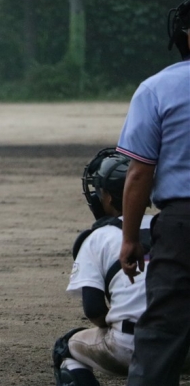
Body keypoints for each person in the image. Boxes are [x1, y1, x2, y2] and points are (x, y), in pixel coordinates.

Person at [117, 0, 190, 386]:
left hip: (182, 225)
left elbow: (139, 173)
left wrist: (130, 238)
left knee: (163, 328)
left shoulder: (157, 88)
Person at [52, 148, 156, 386]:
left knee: (65, 349)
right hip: (181, 341)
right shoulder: (170, 228)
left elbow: (94, 309)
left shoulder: (98, 238)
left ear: (108, 197)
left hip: (130, 346)